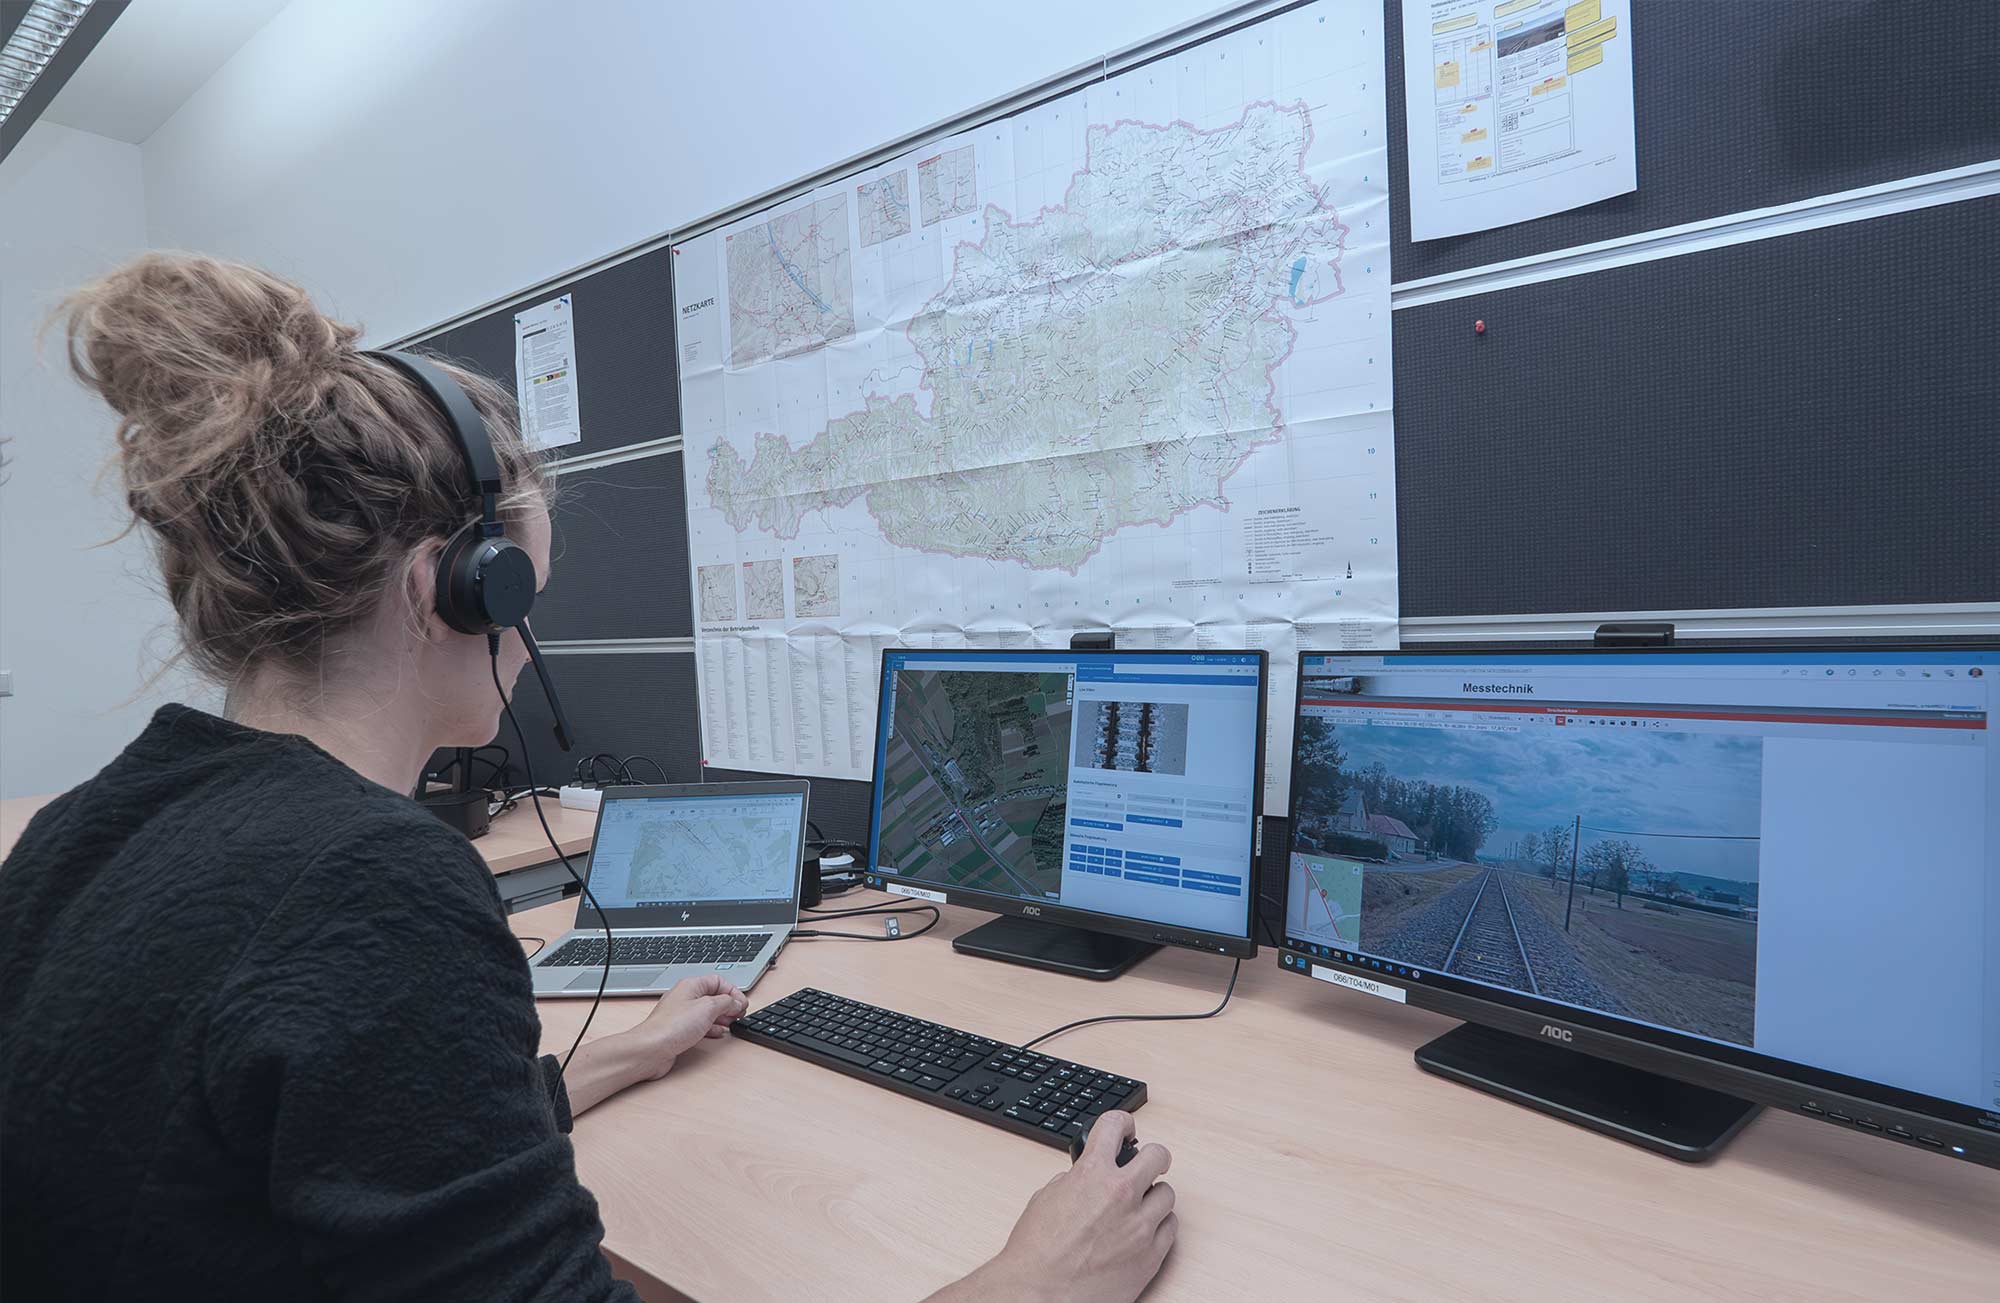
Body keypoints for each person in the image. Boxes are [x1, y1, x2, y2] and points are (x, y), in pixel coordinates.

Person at [0, 254, 1177, 1302]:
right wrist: (1037, 1280)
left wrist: (608, 1058)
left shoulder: (89, 823)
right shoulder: (369, 882)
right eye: (532, 601)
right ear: (451, 587)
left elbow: (328, 1147)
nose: (531, 642)